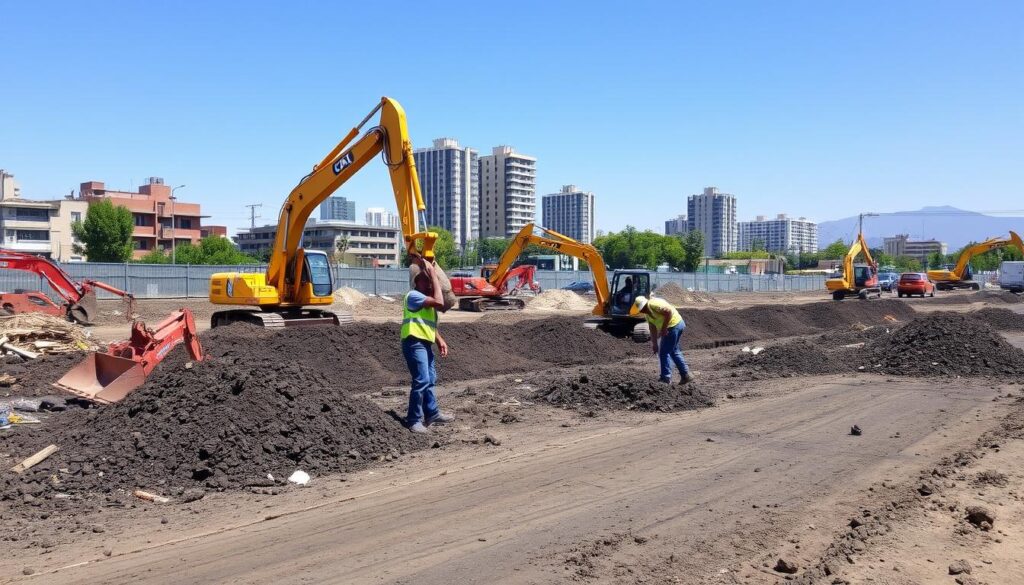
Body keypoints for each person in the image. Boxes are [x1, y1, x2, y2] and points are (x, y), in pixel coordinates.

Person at [402, 257, 454, 434]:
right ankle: (414, 420)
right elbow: (440, 302)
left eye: (430, 279)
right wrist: (432, 273)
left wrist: (439, 340)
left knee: (430, 379)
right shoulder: (413, 296)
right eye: (426, 279)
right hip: (414, 342)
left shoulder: (425, 299)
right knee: (422, 380)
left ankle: (432, 414)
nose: (430, 282)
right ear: (416, 281)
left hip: (424, 342)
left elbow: (428, 324)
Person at [630, 295, 694, 384]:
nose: (643, 310)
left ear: (646, 304)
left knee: (664, 352)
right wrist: (654, 344)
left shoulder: (654, 304)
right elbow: (652, 329)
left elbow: (668, 312)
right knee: (674, 351)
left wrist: (664, 328)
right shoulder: (648, 316)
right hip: (675, 325)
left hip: (674, 325)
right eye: (641, 309)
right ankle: (686, 375)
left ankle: (665, 378)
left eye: (643, 308)